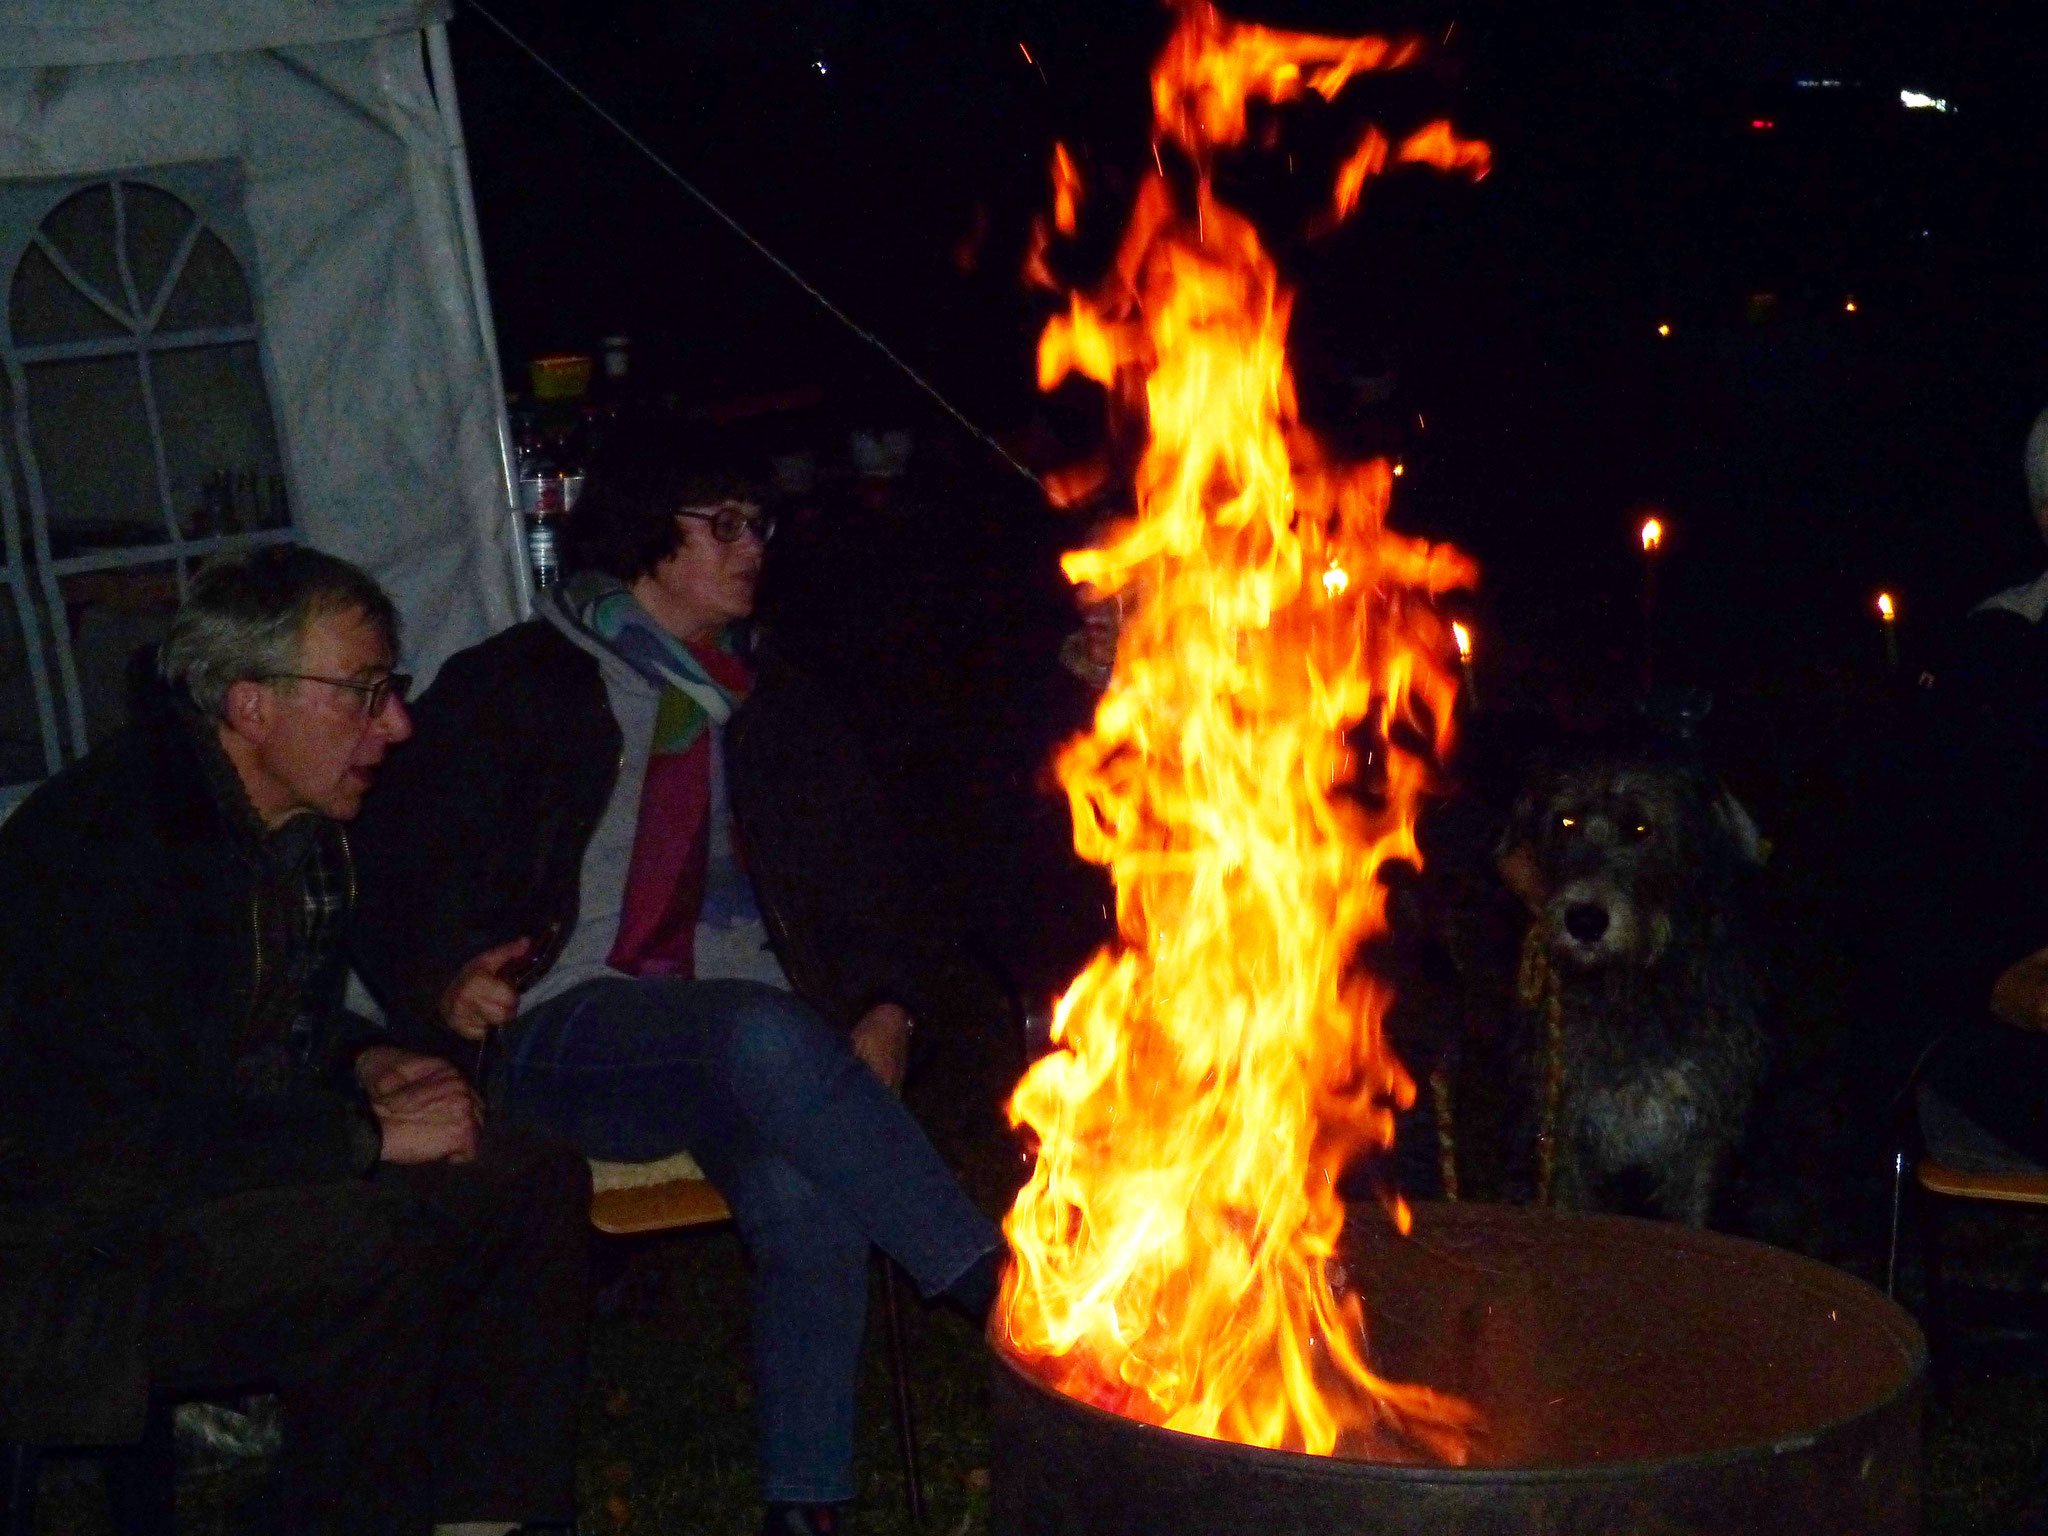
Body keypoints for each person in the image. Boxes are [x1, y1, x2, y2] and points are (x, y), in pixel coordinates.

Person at [349, 435, 1006, 1536]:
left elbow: (873, 876)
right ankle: (998, 1291)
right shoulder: (519, 685)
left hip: (754, 1049)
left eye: (760, 524)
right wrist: (441, 977)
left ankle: (808, 1509)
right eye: (723, 524)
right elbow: (394, 864)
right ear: (650, 535)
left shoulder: (773, 701)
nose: (753, 548)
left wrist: (887, 1003)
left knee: (803, 1186)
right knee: (759, 1032)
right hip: (570, 1024)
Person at [0, 547, 591, 1536]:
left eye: (389, 690)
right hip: (71, 1256)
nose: (395, 724)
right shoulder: (116, 854)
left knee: (523, 1177)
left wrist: (363, 1057)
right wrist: (361, 1138)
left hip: (189, 1184)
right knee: (371, 1244)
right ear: (249, 705)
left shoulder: (281, 830)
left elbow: (246, 1029)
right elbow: (122, 1137)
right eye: (362, 693)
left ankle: (485, 1522)